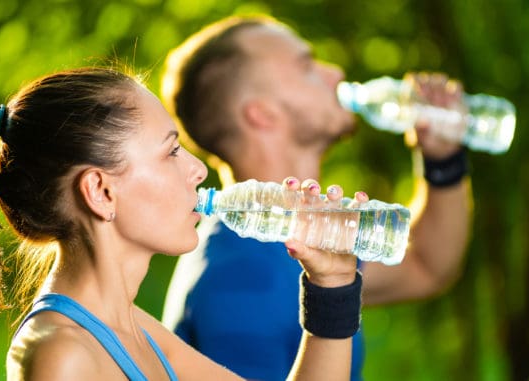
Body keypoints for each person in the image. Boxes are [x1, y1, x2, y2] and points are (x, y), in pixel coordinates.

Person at [0, 67, 366, 380]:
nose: (199, 170)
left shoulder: (133, 327)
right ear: (100, 192)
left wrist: (331, 285)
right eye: (171, 152)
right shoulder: (64, 357)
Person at [160, 15, 473, 381]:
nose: (335, 73)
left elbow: (426, 268)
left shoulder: (292, 238)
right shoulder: (242, 279)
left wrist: (443, 160)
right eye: (306, 66)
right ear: (262, 113)